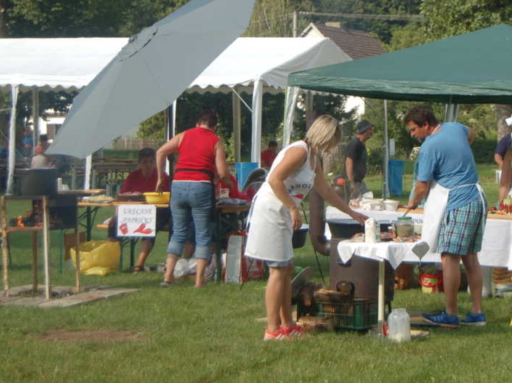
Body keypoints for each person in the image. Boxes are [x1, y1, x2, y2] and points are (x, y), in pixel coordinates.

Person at [245, 115, 368, 341]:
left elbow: (327, 192)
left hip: (283, 213)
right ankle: (272, 330)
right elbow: (274, 179)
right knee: (278, 270)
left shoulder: (314, 158)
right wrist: (293, 207)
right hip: (270, 211)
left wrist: (352, 213)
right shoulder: (300, 151)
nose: (332, 146)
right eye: (332, 140)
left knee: (286, 269)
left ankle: (287, 323)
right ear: (325, 136)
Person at [403, 105, 487, 328]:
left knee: (449, 257)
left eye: (413, 130)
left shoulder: (429, 146)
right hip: (477, 198)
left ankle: (450, 314)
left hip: (458, 202)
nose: (413, 134)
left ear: (426, 125)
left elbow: (422, 185)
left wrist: (412, 203)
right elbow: (472, 133)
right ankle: (477, 312)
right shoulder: (454, 127)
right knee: (471, 257)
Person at [156, 109, 229, 288]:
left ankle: (168, 276)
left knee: (178, 232)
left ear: (198, 123)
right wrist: (227, 182)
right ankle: (199, 281)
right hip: (201, 185)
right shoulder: (216, 141)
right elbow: (222, 171)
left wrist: (160, 177)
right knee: (202, 234)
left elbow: (160, 152)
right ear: (215, 126)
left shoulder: (184, 135)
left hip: (179, 183)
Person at [109, 147, 171, 272]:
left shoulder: (162, 176)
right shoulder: (133, 176)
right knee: (113, 225)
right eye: (144, 161)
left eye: (150, 161)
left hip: (156, 212)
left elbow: (169, 196)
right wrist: (117, 213)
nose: (148, 164)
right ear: (139, 163)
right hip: (134, 212)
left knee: (150, 227)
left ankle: (138, 265)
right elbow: (123, 196)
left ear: (155, 162)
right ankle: (111, 262)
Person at [344, 119, 374, 200]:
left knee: (367, 202)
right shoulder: (354, 143)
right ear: (365, 131)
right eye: (370, 129)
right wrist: (351, 182)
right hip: (353, 182)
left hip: (359, 182)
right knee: (354, 205)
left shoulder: (361, 144)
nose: (372, 132)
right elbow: (349, 162)